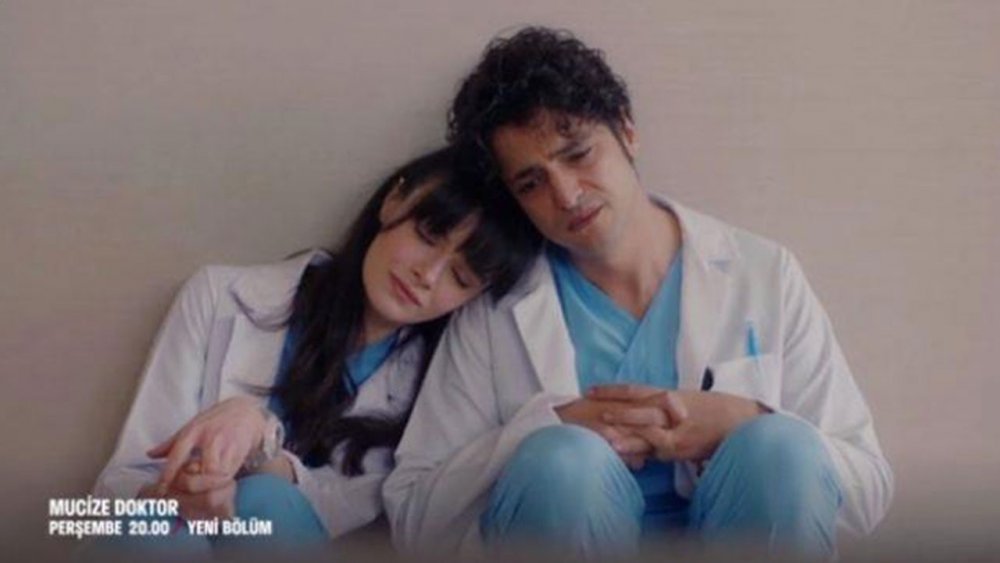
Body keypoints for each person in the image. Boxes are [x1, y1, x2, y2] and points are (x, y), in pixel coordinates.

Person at [383, 27, 893, 558]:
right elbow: (415, 514)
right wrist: (544, 427)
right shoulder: (498, 306)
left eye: (578, 154)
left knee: (778, 447)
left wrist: (743, 422)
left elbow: (868, 489)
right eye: (532, 183)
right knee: (564, 462)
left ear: (627, 131)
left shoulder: (764, 273)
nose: (567, 195)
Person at [91, 146, 538, 553]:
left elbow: (328, 509)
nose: (428, 274)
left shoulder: (435, 394)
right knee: (159, 530)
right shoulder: (217, 294)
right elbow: (119, 484)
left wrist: (258, 439)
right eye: (427, 235)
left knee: (266, 500)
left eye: (460, 278)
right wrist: (176, 492)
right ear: (394, 200)